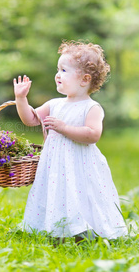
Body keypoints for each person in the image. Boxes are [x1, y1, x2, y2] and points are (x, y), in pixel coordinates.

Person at [13, 40, 128, 242]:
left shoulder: (91, 108)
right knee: (58, 192)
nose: (57, 74)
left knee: (83, 194)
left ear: (84, 79)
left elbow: (93, 134)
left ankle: (86, 229)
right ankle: (57, 228)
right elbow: (31, 119)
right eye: (58, 69)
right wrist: (21, 99)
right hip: (56, 164)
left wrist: (64, 128)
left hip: (81, 165)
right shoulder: (54, 104)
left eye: (64, 70)